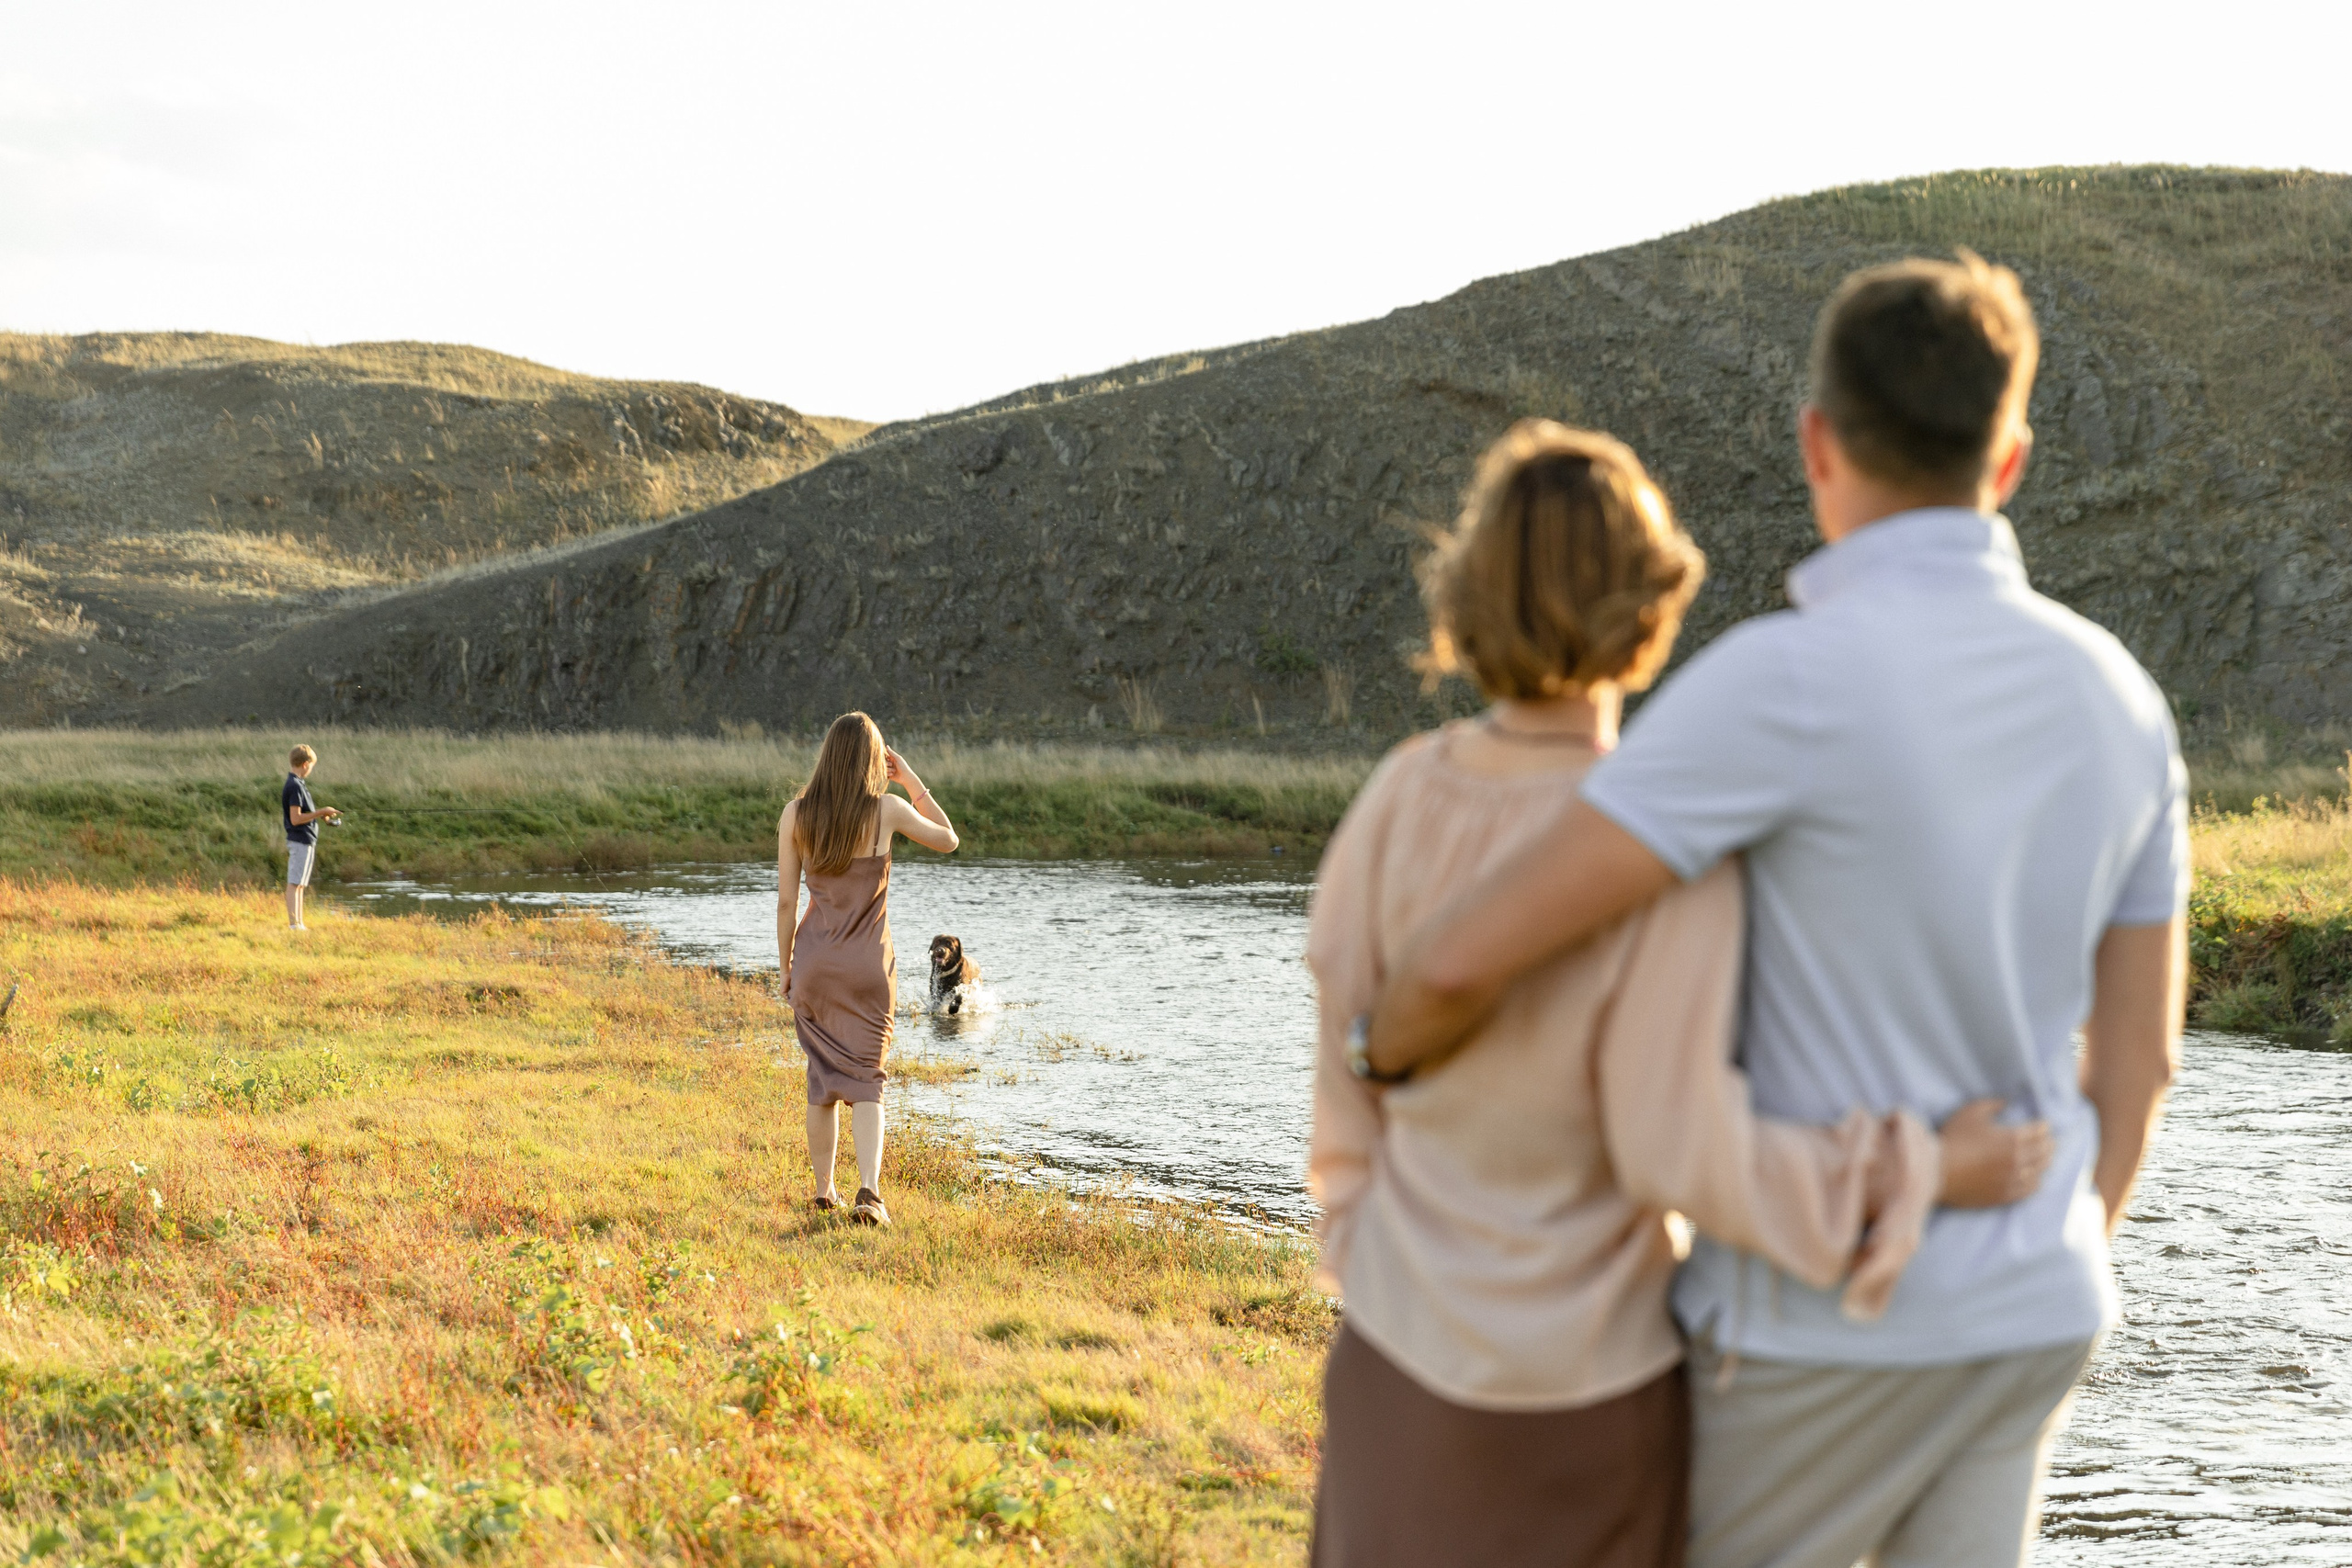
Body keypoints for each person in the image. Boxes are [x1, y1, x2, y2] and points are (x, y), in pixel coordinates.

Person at [1364, 254, 2188, 1568]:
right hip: (2037, 1305)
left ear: (1817, 444)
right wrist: (2041, 1247)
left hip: (1812, 1328)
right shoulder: (2126, 701)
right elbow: (2139, 1067)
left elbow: (1470, 953)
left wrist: (1377, 1041)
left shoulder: (1778, 686)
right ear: (2012, 455)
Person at [1307, 421, 2051, 1568]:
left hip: (1391, 1372)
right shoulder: (1665, 848)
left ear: (1466, 594)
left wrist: (1375, 1271)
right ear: (1652, 603)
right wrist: (1925, 1167)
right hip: (1584, 1398)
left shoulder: (1396, 799)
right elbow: (1680, 1151)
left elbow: (1343, 1092)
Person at [776, 713, 959, 1226]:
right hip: (868, 968)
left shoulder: (796, 814)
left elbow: (786, 904)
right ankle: (870, 1194)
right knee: (867, 1082)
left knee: (823, 1081)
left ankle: (822, 1191)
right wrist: (912, 780)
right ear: (874, 761)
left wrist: (786, 968)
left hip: (814, 963)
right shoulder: (889, 811)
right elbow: (949, 839)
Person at [281, 744, 340, 931]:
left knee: (300, 884)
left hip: (306, 840)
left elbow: (303, 813)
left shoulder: (299, 785)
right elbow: (296, 818)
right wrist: (321, 811)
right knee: (294, 883)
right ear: (305, 764)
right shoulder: (294, 786)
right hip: (299, 840)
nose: (311, 770)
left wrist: (320, 815)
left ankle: (299, 923)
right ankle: (293, 924)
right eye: (312, 766)